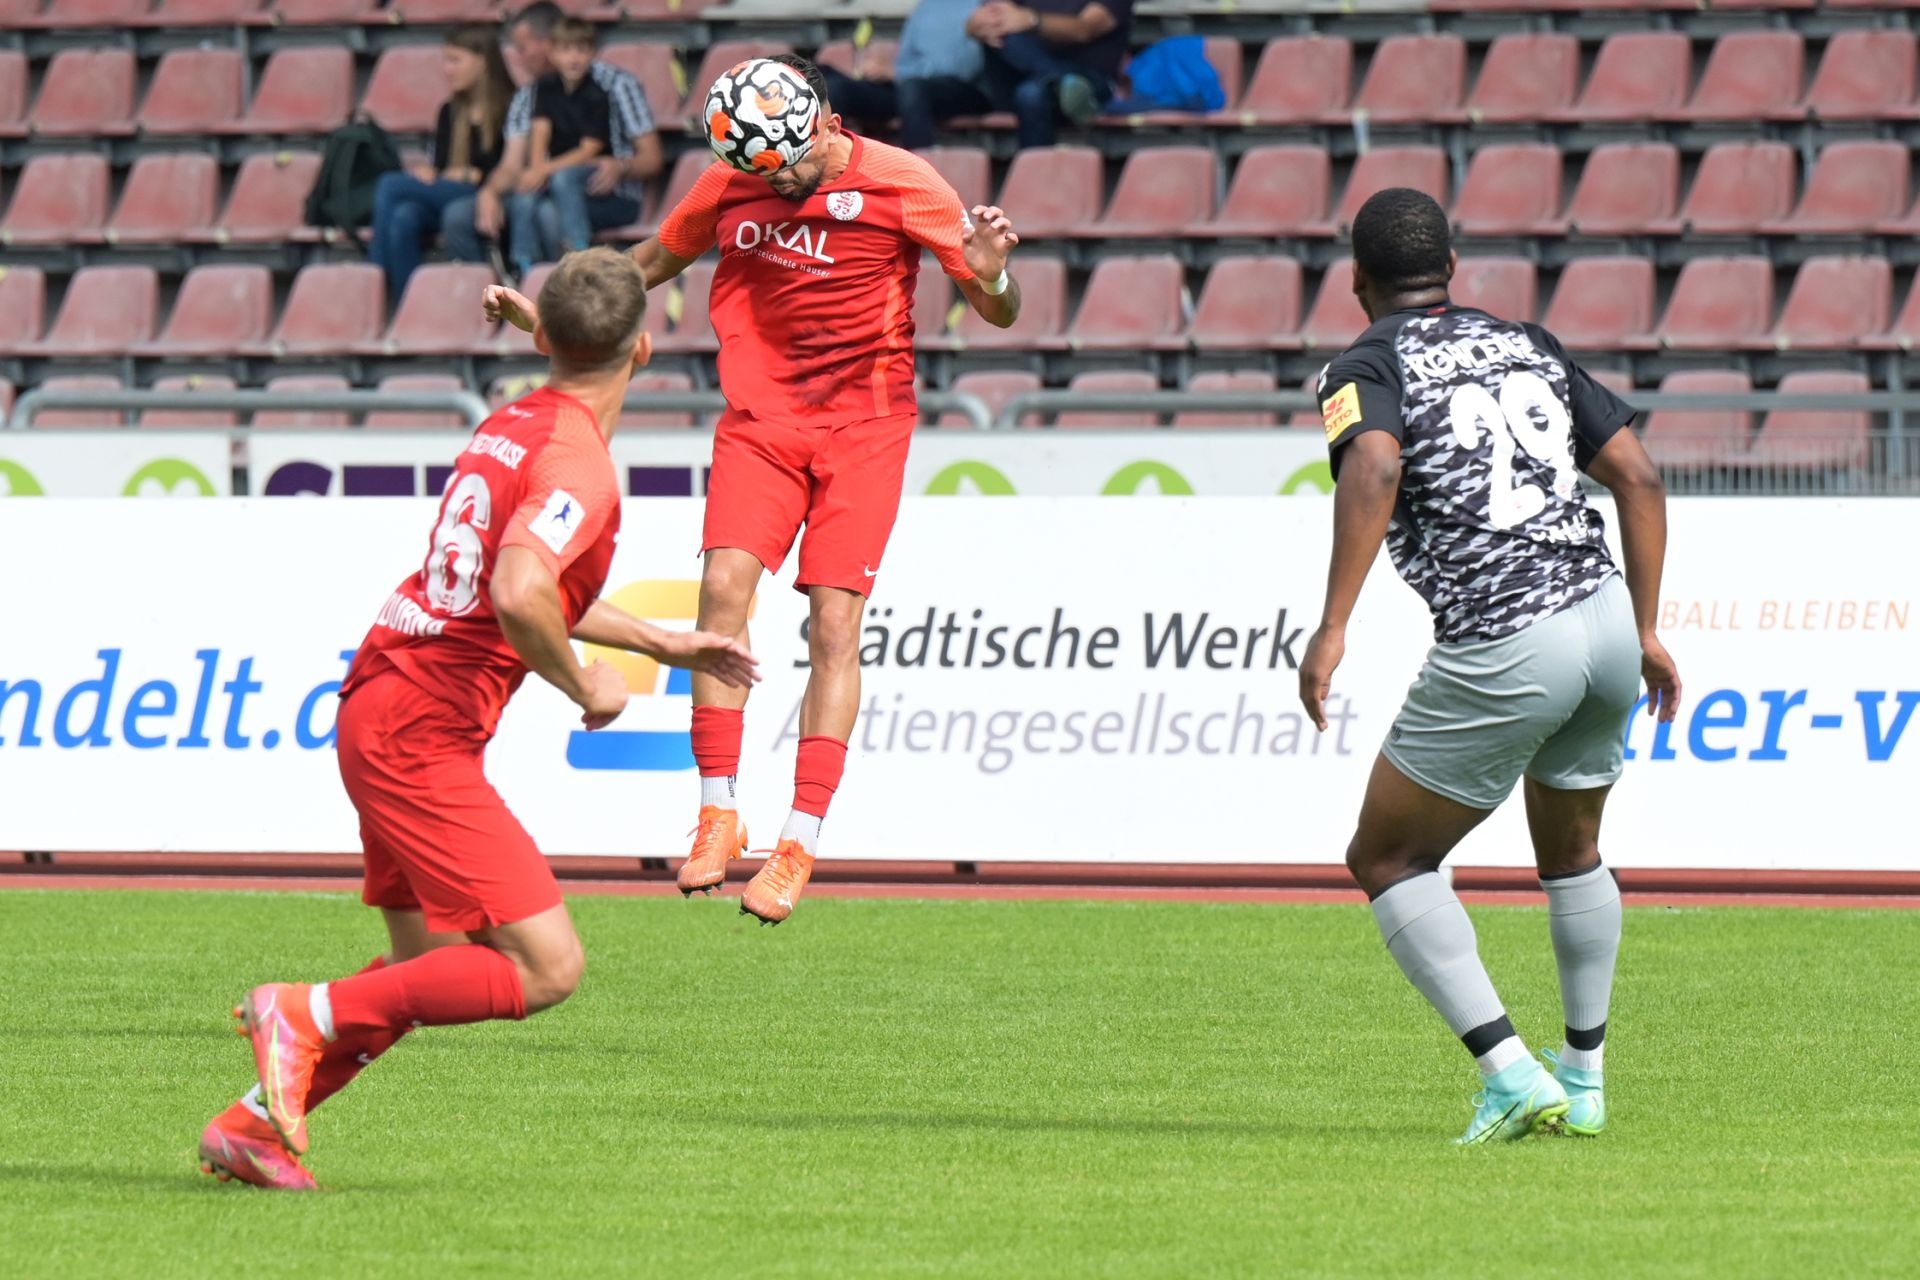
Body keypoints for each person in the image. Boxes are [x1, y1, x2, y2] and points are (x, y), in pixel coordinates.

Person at [195, 249, 760, 1191]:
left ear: (544, 342)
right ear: (644, 350)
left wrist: (659, 642)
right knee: (546, 968)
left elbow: (528, 580)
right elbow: (520, 590)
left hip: (380, 701)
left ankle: (251, 1127)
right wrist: (584, 686)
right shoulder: (579, 463)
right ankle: (299, 1011)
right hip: (421, 731)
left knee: (430, 969)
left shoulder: (514, 420)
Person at [488, 56, 1023, 925]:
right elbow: (641, 266)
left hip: (866, 427)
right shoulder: (730, 184)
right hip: (760, 421)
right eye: (761, 173)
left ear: (824, 122)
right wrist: (546, 316)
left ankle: (798, 840)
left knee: (834, 624)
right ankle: (717, 811)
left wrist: (991, 273)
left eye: (790, 165)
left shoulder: (905, 182)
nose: (780, 184)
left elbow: (999, 309)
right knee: (722, 595)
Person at [1298, 188, 1682, 1145]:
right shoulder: (1529, 344)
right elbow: (1638, 476)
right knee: (1573, 853)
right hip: (1603, 618)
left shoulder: (1364, 365)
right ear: (1451, 267)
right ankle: (1583, 1079)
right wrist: (1645, 629)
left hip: (1509, 636)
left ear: (1356, 278)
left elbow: (1374, 467)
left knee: (1387, 858)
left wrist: (1333, 625)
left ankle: (1510, 1074)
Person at [443, 3, 662, 276]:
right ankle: (495, 291)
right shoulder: (529, 95)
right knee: (459, 216)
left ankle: (560, 289)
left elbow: (652, 158)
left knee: (549, 211)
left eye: (523, 48)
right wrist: (491, 192)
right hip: (544, 190)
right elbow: (512, 165)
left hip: (605, 195)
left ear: (548, 44)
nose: (519, 58)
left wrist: (620, 166)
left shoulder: (615, 85)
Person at [368, 25, 514, 299]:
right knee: (403, 217)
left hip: (489, 197)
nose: (447, 70)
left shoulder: (511, 107)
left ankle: (372, 284)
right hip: (449, 193)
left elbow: (510, 167)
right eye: (446, 61)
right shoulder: (449, 111)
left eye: (455, 60)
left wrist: (473, 176)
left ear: (482, 62)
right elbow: (443, 167)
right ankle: (408, 304)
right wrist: (429, 171)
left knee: (390, 185)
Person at [508, 16, 618, 277]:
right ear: (552, 54)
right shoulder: (546, 87)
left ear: (593, 53)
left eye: (581, 50)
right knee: (525, 194)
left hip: (587, 169)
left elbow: (589, 149)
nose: (573, 58)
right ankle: (523, 262)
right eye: (566, 50)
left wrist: (544, 170)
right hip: (555, 168)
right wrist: (535, 169)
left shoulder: (597, 95)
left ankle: (578, 247)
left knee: (563, 179)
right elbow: (540, 131)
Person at [818, 0, 991, 151]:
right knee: (827, 80)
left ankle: (918, 171)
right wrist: (883, 71)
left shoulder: (983, 6)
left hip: (963, 90)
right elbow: (905, 60)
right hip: (907, 87)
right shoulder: (927, 6)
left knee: (913, 89)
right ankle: (816, 160)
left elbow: (963, 69)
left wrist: (896, 73)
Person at [968, 0, 1134, 148]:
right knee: (1006, 35)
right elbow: (987, 18)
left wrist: (1032, 20)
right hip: (1019, 79)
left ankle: (1057, 80)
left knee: (1030, 94)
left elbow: (1085, 29)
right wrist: (977, 25)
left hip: (1090, 86)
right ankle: (1057, 79)